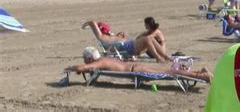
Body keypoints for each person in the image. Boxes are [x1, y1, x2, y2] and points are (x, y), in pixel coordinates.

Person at [65, 47, 212, 83]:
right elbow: (86, 68)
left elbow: (83, 68)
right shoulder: (104, 59)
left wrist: (72, 68)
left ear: (90, 58)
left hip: (137, 71)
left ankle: (203, 76)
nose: (84, 61)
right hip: (136, 68)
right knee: (168, 71)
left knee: (170, 73)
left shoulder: (99, 62)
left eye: (85, 58)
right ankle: (199, 72)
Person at [82, 18, 172, 63]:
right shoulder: (102, 37)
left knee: (150, 38)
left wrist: (121, 36)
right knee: (148, 38)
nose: (108, 31)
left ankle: (165, 56)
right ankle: (158, 57)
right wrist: (85, 25)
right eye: (106, 30)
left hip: (130, 45)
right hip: (129, 47)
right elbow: (92, 22)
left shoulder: (110, 36)